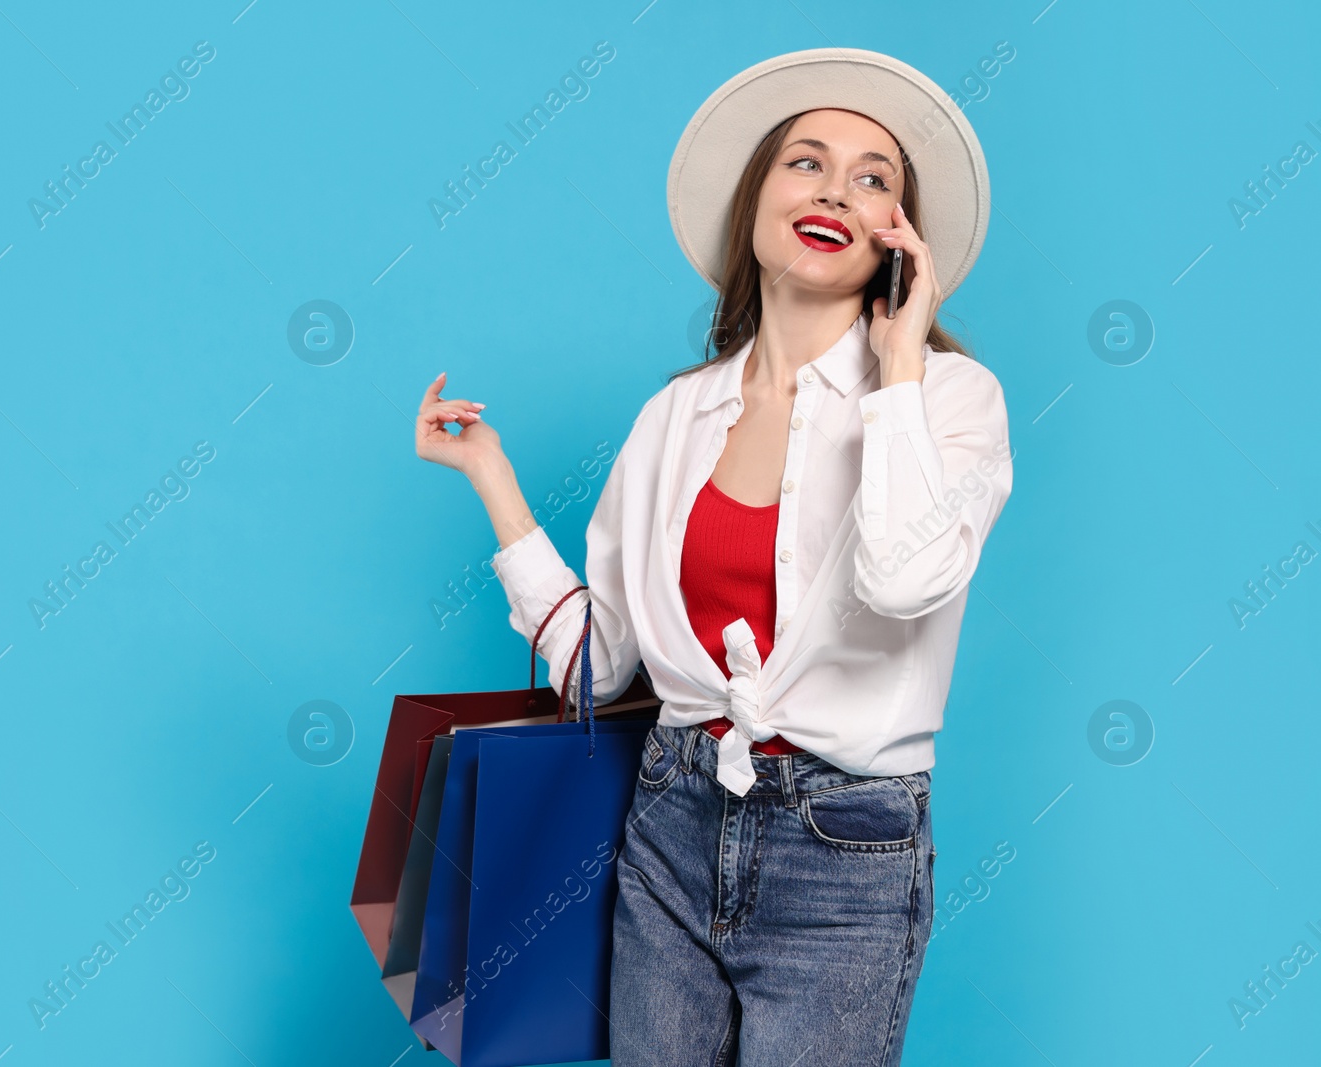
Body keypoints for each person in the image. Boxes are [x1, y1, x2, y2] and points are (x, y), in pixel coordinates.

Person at [412, 48, 1011, 1067]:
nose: (834, 189)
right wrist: (493, 481)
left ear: (897, 240)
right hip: (670, 827)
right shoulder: (674, 416)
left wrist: (901, 363)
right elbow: (600, 667)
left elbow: (904, 579)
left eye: (873, 179)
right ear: (755, 201)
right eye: (804, 163)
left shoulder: (951, 400)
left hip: (845, 853)